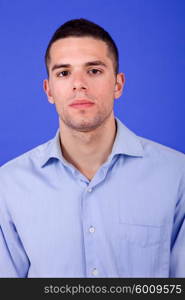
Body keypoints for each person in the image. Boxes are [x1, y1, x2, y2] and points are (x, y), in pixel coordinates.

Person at [0, 18, 184, 278]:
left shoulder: (176, 176)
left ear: (118, 84)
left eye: (94, 71)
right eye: (64, 73)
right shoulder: (8, 185)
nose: (79, 84)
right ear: (48, 90)